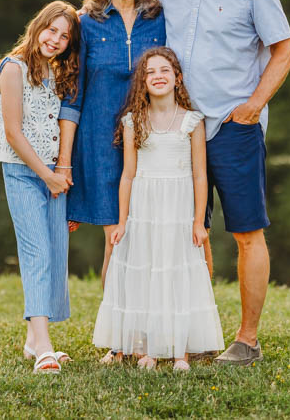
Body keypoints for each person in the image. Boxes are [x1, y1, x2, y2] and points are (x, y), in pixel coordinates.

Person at [157, 0, 290, 366]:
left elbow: (284, 49)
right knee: (194, 232)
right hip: (182, 129)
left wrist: (255, 105)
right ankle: (204, 332)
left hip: (234, 127)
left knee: (246, 232)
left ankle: (247, 339)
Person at [92, 47, 224, 371]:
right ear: (143, 81)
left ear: (177, 78)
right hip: (144, 208)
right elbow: (128, 174)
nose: (158, 76)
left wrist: (198, 221)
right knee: (146, 272)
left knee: (177, 272)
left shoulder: (192, 122)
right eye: (150, 72)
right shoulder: (133, 121)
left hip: (178, 209)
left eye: (165, 70)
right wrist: (123, 221)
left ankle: (180, 350)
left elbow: (199, 175)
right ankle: (146, 347)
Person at [56, 0, 166, 287]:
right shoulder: (85, 23)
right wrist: (65, 160)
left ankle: (147, 328)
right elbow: (72, 95)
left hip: (151, 142)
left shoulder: (160, 19)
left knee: (149, 240)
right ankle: (117, 335)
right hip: (100, 144)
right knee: (116, 237)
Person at [0, 0, 81, 374]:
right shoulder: (13, 68)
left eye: (64, 36)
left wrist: (62, 171)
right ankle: (44, 346)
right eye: (51, 30)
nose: (56, 39)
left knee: (56, 252)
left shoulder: (57, 71)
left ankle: (34, 339)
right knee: (37, 253)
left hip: (54, 175)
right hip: (24, 173)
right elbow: (13, 132)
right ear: (37, 26)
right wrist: (45, 176)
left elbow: (61, 121)